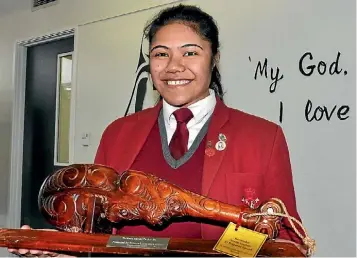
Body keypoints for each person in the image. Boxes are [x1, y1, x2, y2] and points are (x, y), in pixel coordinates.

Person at [9, 4, 306, 257]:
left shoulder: (262, 137)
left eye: (190, 53)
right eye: (161, 54)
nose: (174, 67)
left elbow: (288, 241)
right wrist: (62, 248)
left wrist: (231, 247)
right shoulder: (118, 133)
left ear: (214, 59)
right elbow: (97, 236)